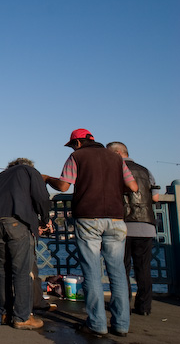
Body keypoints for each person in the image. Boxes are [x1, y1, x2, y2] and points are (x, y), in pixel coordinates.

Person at [44, 129, 138, 338]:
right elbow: (133, 186)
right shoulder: (115, 158)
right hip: (115, 218)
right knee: (118, 273)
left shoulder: (77, 156)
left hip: (88, 217)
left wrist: (47, 178)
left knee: (92, 273)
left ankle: (97, 324)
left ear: (77, 143)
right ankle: (121, 325)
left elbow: (64, 184)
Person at [0, 158, 50, 330]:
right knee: (22, 270)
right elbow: (42, 198)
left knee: (3, 270)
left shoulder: (0, 176)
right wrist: (44, 219)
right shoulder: (29, 171)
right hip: (17, 223)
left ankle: (5, 313)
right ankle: (22, 317)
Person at [106, 141, 160, 316]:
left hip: (122, 225)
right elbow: (156, 198)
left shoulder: (114, 170)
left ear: (117, 153)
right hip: (146, 225)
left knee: (122, 268)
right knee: (143, 268)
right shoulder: (145, 171)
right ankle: (144, 307)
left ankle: (122, 305)